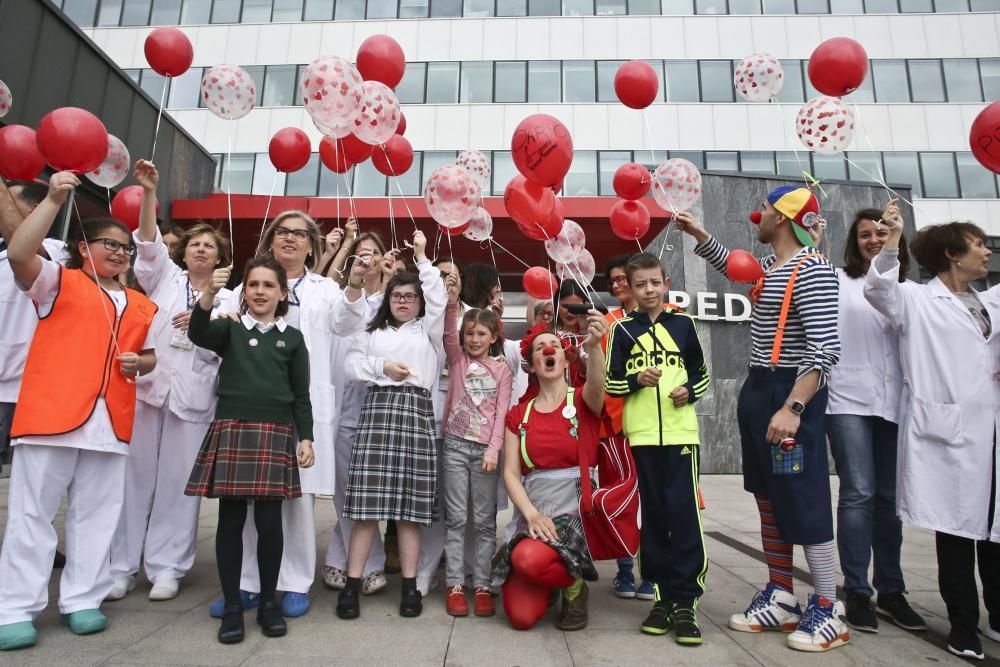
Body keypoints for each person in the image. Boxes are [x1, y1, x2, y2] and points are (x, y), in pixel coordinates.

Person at [676, 186, 848, 653]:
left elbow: (825, 348)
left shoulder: (812, 270)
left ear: (787, 219)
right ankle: (781, 593)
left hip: (790, 390)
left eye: (768, 209)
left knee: (804, 497)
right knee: (768, 496)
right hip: (759, 386)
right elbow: (736, 267)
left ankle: (829, 606)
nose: (760, 214)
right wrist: (700, 232)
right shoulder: (776, 267)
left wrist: (793, 407)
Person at [0, 172, 157, 651]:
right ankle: (14, 607)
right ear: (83, 249)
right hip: (51, 417)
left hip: (111, 424)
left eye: (125, 248)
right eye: (108, 244)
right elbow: (20, 253)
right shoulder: (55, 283)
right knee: (32, 515)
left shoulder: (140, 304)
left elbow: (150, 357)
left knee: (97, 516)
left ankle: (82, 599)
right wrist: (51, 200)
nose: (118, 252)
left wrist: (141, 363)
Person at [864, 205, 1000, 661]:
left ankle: (998, 616)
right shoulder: (917, 301)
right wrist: (891, 240)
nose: (986, 251)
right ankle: (963, 627)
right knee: (958, 532)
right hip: (950, 435)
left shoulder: (990, 302)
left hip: (992, 433)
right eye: (978, 244)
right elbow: (879, 286)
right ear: (951, 254)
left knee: (995, 533)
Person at [211, 210, 349, 619]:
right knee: (250, 500)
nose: (289, 239)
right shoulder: (245, 287)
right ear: (271, 240)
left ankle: (294, 582)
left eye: (299, 234)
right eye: (282, 232)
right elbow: (216, 327)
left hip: (303, 407)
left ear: (313, 245)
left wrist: (356, 285)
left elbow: (348, 320)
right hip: (255, 411)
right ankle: (249, 583)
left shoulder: (327, 290)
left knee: (297, 500)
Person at [107, 161, 233, 603]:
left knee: (179, 485)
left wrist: (204, 316)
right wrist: (148, 193)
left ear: (220, 258)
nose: (200, 250)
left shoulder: (231, 298)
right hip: (148, 388)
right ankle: (121, 567)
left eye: (209, 246)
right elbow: (147, 242)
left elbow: (226, 347)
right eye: (194, 244)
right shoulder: (163, 277)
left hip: (193, 398)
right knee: (134, 479)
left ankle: (166, 567)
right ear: (184, 253)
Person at [184, 256, 315, 644]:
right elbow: (197, 334)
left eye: (268, 285)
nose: (260, 291)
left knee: (271, 524)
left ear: (282, 293)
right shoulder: (228, 328)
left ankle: (270, 604)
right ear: (244, 292)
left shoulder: (291, 338)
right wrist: (207, 295)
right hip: (234, 428)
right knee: (230, 521)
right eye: (253, 284)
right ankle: (232, 606)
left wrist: (305, 437)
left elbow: (301, 396)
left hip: (275, 433)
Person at [826, 207, 926, 634]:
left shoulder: (911, 290)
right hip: (848, 399)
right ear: (854, 241)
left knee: (889, 498)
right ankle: (857, 590)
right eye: (865, 234)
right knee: (859, 492)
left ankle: (891, 589)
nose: (872, 239)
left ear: (896, 239)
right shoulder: (837, 280)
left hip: (894, 402)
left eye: (880, 233)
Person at [338, 229, 446, 620]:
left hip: (416, 415)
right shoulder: (373, 331)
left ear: (419, 302)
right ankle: (352, 585)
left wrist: (421, 257)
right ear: (388, 299)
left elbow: (438, 294)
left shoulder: (429, 332)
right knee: (366, 508)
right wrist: (381, 368)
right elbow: (351, 365)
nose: (403, 301)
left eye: (410, 297)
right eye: (397, 296)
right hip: (378, 412)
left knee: (409, 510)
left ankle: (411, 587)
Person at [605, 252, 710, 644]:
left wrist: (689, 392)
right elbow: (612, 383)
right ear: (629, 290)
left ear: (666, 282)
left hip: (682, 436)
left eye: (655, 282)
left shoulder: (684, 324)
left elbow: (702, 374)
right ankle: (661, 597)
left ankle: (686, 602)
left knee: (684, 517)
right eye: (640, 285)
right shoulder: (622, 329)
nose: (648, 290)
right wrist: (636, 379)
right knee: (653, 517)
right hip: (643, 437)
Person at [492, 312, 609, 631]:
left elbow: (598, 385)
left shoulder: (583, 401)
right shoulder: (519, 414)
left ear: (565, 357)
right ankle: (544, 571)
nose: (548, 350)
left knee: (528, 559)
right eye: (540, 347)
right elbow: (511, 475)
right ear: (530, 364)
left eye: (554, 345)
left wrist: (596, 347)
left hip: (573, 511)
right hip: (534, 511)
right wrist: (530, 515)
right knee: (521, 618)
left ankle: (573, 587)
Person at [322, 231, 396, 593]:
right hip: (343, 408)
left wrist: (392, 279)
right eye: (360, 254)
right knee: (344, 491)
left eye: (374, 253)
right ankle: (365, 563)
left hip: (380, 409)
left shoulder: (394, 302)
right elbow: (341, 324)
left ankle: (343, 560)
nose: (366, 259)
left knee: (366, 491)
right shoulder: (343, 299)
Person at [441, 275, 513, 617]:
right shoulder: (456, 360)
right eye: (469, 333)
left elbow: (501, 415)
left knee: (485, 522)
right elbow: (447, 334)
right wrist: (452, 299)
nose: (473, 339)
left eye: (481, 334)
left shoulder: (502, 371)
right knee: (455, 519)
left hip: (484, 452)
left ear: (494, 337)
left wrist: (493, 449)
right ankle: (455, 584)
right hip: (454, 447)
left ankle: (482, 584)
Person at [600, 252, 655, 601]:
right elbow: (609, 377)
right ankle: (623, 569)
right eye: (615, 281)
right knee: (621, 500)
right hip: (617, 426)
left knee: (652, 501)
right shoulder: (609, 323)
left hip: (654, 425)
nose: (619, 285)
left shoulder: (669, 319)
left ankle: (651, 572)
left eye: (624, 278)